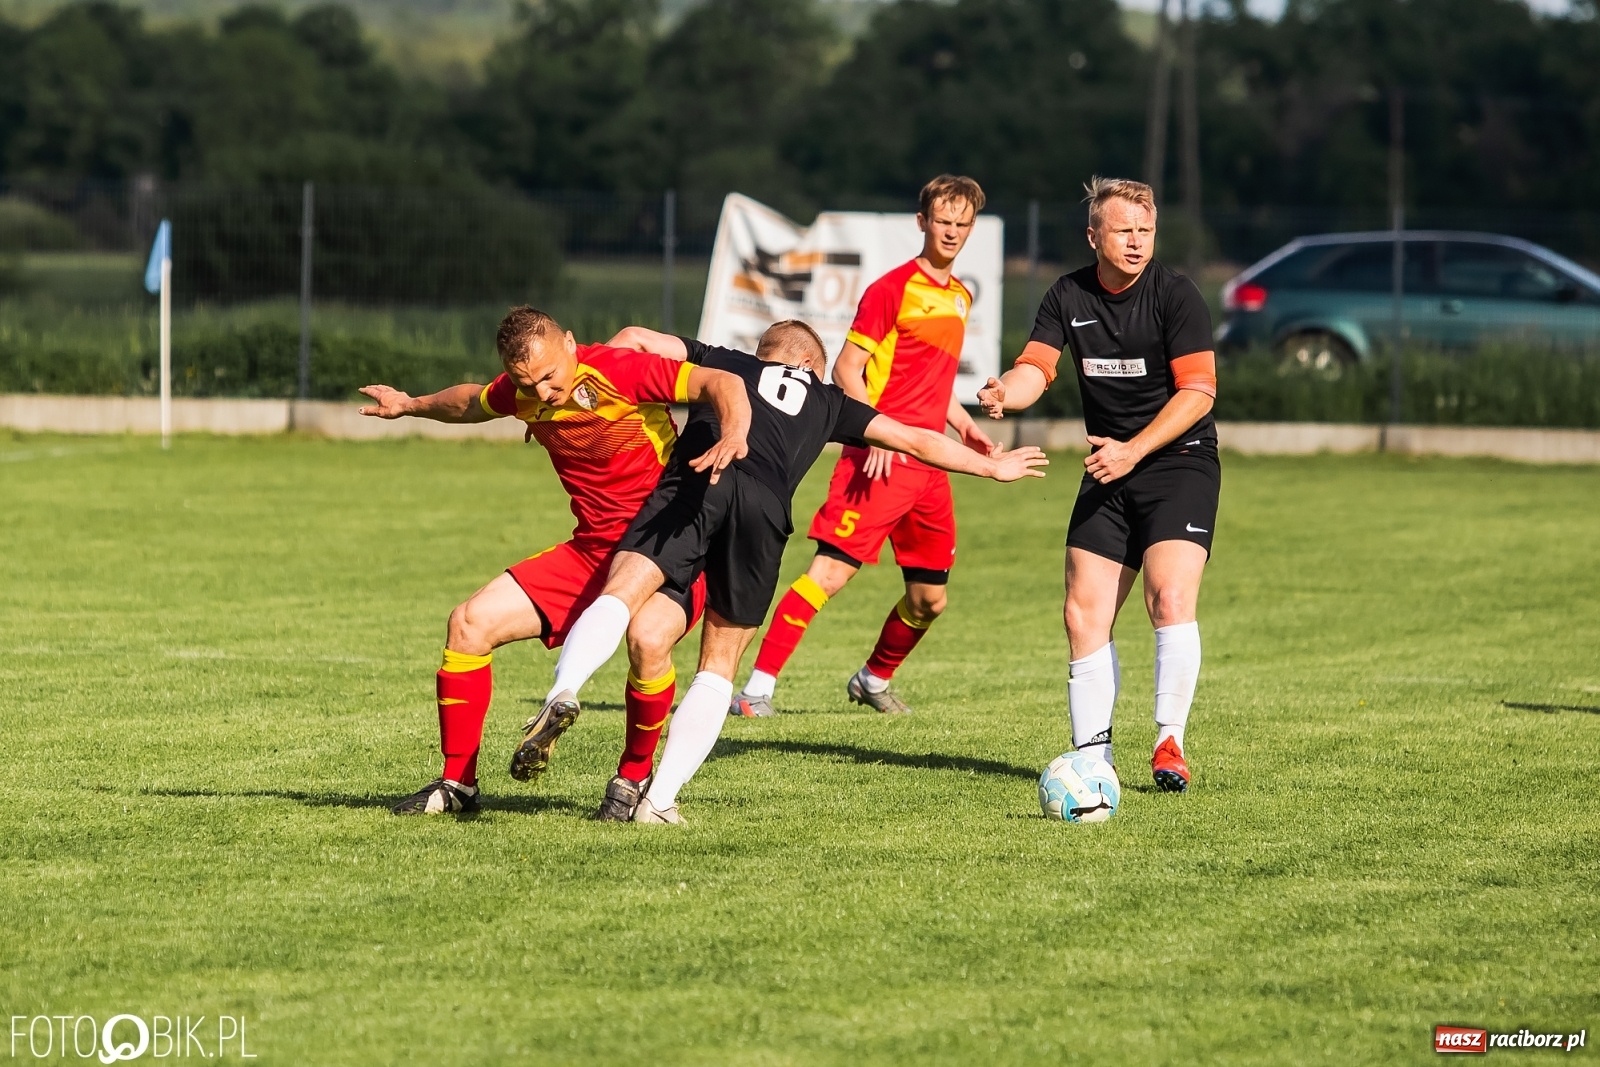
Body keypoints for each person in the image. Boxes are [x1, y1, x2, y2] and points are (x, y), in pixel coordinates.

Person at [529, 320, 1048, 824]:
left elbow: (637, 339)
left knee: (622, 591)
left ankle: (564, 691)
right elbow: (916, 440)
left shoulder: (726, 363)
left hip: (703, 477)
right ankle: (659, 801)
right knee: (719, 664)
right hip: (765, 512)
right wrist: (991, 467)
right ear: (806, 364)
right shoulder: (829, 401)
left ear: (766, 356)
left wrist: (582, 390)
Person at [357, 306, 751, 818]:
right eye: (528, 383)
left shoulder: (620, 369)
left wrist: (734, 432)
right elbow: (471, 402)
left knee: (648, 642)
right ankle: (458, 785)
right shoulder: (522, 393)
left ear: (569, 342)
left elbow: (720, 381)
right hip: (591, 552)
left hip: (664, 547)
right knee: (468, 624)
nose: (543, 392)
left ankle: (633, 779)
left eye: (548, 376)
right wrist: (410, 404)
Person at [977, 177, 1218, 793]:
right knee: (1082, 611)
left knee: (1168, 596)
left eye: (1146, 230)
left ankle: (1169, 741)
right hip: (1109, 464)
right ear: (1093, 237)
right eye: (1123, 230)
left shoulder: (1176, 294)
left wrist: (1135, 449)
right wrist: (1006, 391)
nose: (1137, 242)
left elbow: (1199, 392)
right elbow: (1036, 367)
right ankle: (1093, 758)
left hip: (1177, 462)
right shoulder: (1068, 294)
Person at [728, 174, 997, 718]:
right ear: (922, 222)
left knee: (930, 599)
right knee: (828, 575)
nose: (952, 232)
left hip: (928, 467)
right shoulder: (890, 290)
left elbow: (933, 380)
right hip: (879, 460)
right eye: (942, 221)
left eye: (962, 223)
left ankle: (873, 679)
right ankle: (756, 691)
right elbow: (848, 369)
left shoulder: (960, 295)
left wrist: (963, 424)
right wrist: (875, 431)